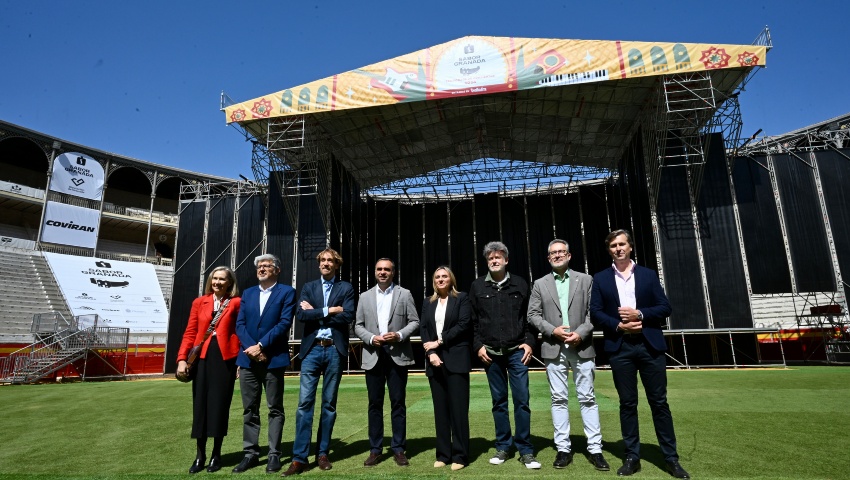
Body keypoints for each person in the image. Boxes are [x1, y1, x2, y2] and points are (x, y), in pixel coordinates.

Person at [589, 230, 690, 479]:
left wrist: (640, 315)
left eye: (622, 244)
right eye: (613, 245)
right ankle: (632, 457)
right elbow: (595, 312)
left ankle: (671, 459)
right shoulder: (600, 278)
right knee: (627, 404)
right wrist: (618, 325)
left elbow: (665, 307)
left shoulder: (648, 275)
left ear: (630, 247)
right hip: (620, 347)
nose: (618, 248)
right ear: (609, 250)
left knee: (659, 403)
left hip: (649, 345)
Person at [527, 239, 610, 471]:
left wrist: (581, 333)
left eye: (561, 251)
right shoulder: (540, 284)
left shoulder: (585, 280)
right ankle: (563, 449)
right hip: (553, 347)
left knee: (588, 398)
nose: (557, 255)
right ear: (548, 258)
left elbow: (593, 312)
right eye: (553, 253)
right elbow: (532, 315)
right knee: (558, 399)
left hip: (581, 346)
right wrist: (551, 330)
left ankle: (595, 449)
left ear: (569, 255)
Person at [283, 248, 356, 477]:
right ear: (319, 264)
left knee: (329, 405)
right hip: (312, 350)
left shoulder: (346, 288)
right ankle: (299, 458)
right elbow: (301, 316)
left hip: (334, 350)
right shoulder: (308, 287)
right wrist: (329, 310)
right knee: (304, 404)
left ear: (337, 264)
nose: (325, 263)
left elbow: (348, 315)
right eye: (322, 260)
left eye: (330, 260)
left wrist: (317, 312)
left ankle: (322, 453)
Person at [468, 241, 540, 469]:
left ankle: (526, 450)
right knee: (498, 403)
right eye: (490, 258)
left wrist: (529, 343)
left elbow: (530, 318)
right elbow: (473, 322)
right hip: (491, 354)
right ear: (487, 262)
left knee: (522, 402)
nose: (494, 260)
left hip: (517, 353)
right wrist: (478, 345)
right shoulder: (477, 287)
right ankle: (502, 447)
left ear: (506, 260)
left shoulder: (520, 284)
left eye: (498, 257)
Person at [232, 254, 296, 474]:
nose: (262, 268)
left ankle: (274, 455)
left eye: (267, 265)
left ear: (277, 270)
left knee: (274, 409)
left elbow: (284, 322)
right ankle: (250, 454)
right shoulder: (248, 293)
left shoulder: (287, 292)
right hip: (248, 360)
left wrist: (261, 346)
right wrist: (252, 349)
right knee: (250, 409)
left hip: (273, 359)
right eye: (259, 266)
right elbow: (239, 325)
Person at [354, 258, 420, 467]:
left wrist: (399, 335)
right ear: (375, 272)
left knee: (398, 403)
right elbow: (358, 325)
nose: (383, 272)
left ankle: (399, 448)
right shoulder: (364, 296)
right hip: (373, 355)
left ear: (393, 273)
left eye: (387, 269)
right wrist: (372, 338)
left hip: (397, 355)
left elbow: (415, 322)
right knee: (375, 404)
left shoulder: (405, 294)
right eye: (379, 269)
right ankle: (375, 449)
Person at [177, 266, 241, 474]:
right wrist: (181, 360)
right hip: (202, 358)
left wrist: (240, 361)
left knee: (220, 406)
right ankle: (200, 455)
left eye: (222, 279)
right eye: (215, 278)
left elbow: (240, 331)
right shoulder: (199, 302)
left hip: (225, 359)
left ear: (230, 283)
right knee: (201, 406)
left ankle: (216, 454)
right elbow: (190, 332)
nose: (217, 282)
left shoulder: (236, 303)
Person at [420, 266, 472, 471]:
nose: (441, 280)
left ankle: (460, 455)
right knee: (440, 411)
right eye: (437, 277)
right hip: (434, 362)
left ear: (451, 279)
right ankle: (443, 454)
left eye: (444, 276)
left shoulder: (462, 298)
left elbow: (463, 325)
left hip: (456, 360)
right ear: (434, 281)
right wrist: (430, 353)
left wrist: (439, 343)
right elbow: (424, 328)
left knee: (458, 411)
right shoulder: (427, 302)